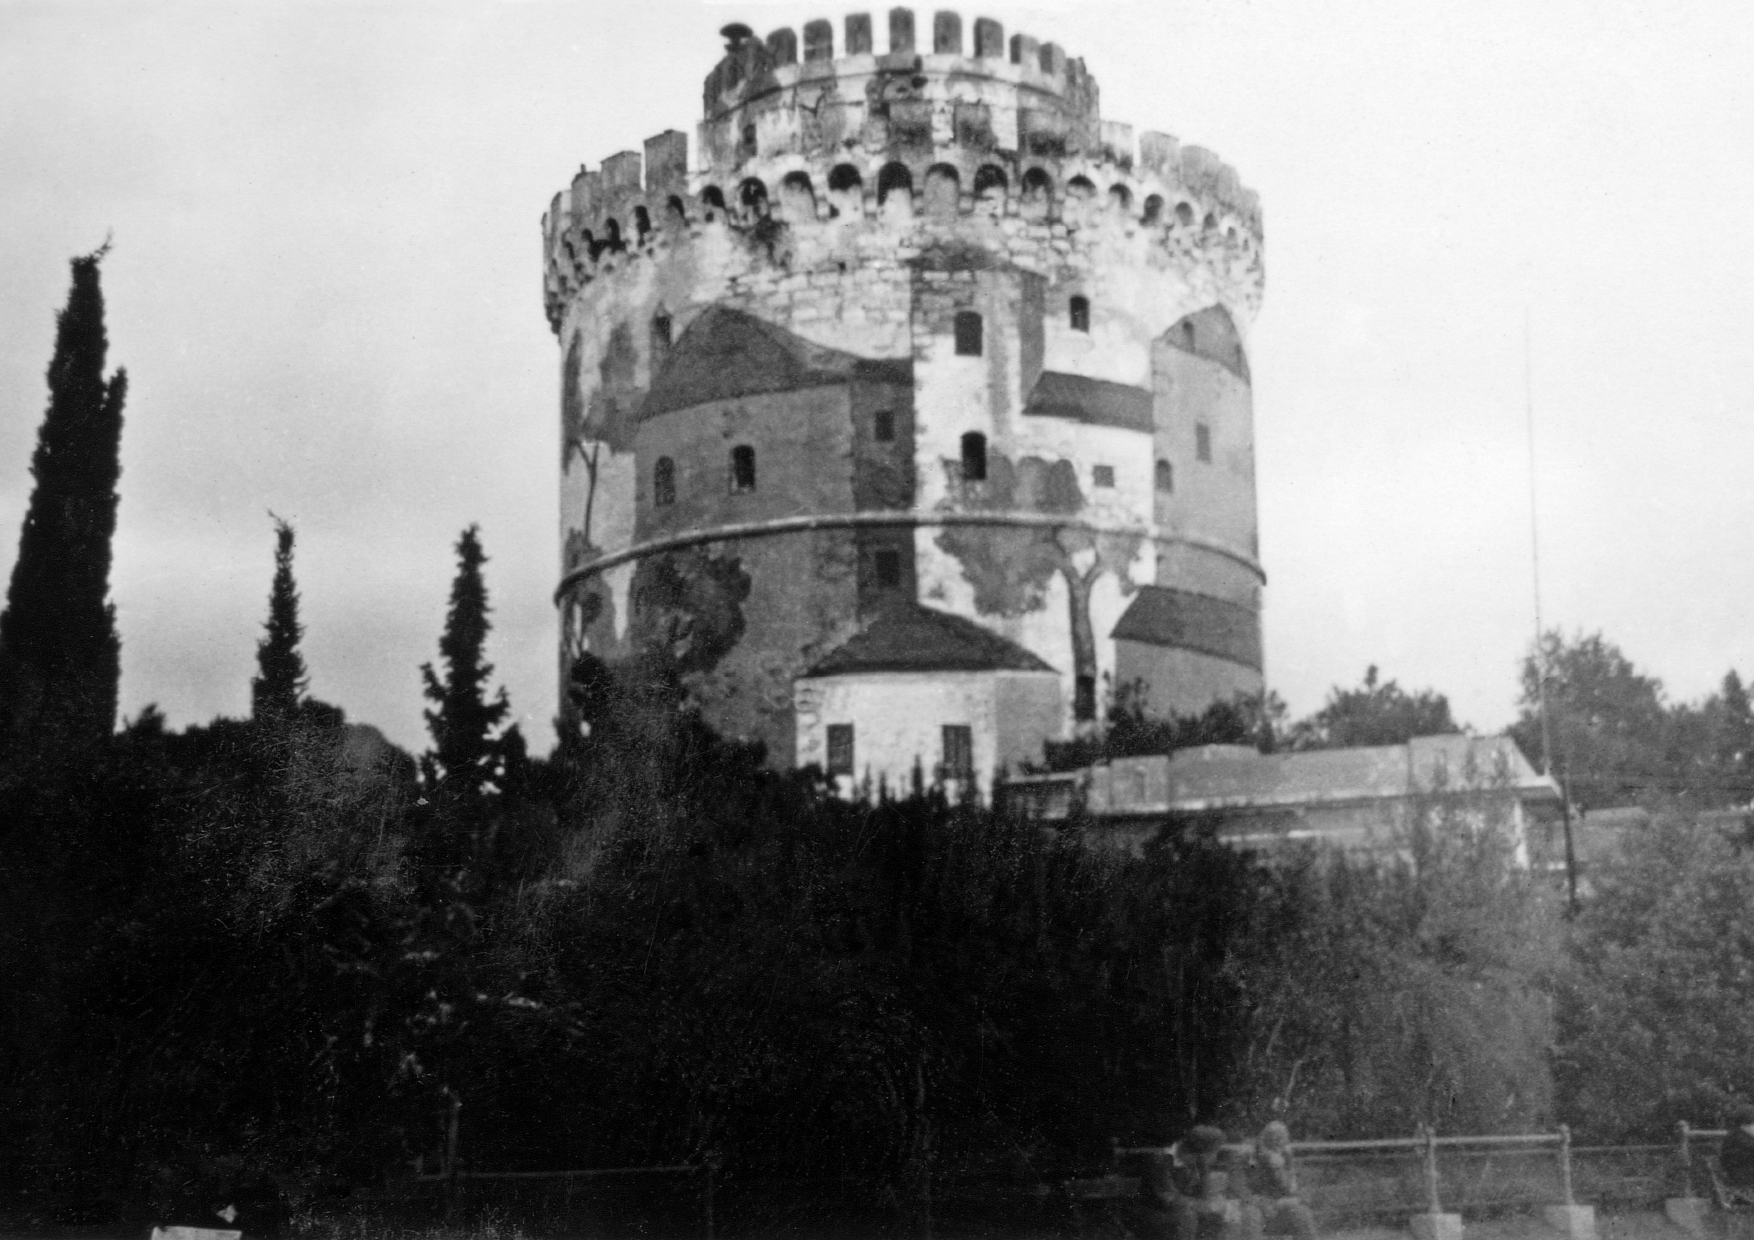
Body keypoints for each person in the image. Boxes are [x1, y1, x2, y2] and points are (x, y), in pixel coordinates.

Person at [1244, 1121, 1317, 1240]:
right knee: (1250, 1214)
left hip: (1279, 1205)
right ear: (1265, 1140)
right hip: (1257, 1205)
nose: (1277, 1142)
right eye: (1273, 1138)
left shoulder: (1286, 1157)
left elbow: (1290, 1189)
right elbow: (1243, 1189)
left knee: (1302, 1212)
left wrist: (1280, 1169)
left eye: (1281, 1138)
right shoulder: (1252, 1158)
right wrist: (1263, 1202)